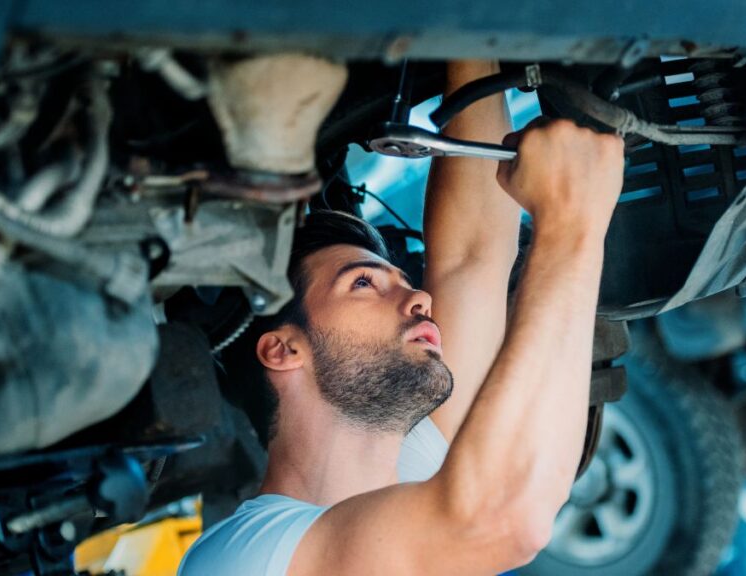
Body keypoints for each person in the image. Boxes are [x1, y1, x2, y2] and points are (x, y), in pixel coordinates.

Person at [179, 60, 625, 575]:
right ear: (283, 349)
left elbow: (473, 256)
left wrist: (471, 37)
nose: (420, 299)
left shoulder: (416, 476)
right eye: (365, 282)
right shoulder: (243, 556)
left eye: (369, 282)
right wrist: (573, 225)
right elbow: (502, 518)